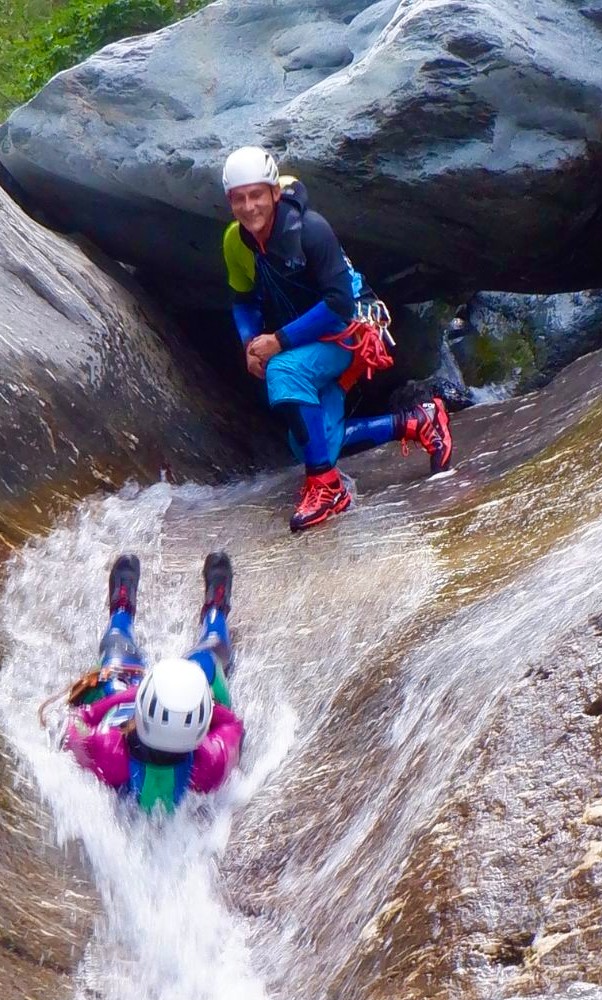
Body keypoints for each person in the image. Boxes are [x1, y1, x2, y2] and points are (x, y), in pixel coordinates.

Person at [221, 145, 454, 532]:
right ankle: (418, 421)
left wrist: (277, 341)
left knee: (284, 371)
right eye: (239, 198)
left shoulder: (311, 230)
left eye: (257, 195)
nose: (249, 207)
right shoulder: (235, 241)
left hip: (353, 329)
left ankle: (327, 488)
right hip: (308, 336)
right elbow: (243, 300)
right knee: (310, 442)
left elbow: (339, 304)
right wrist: (249, 343)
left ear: (275, 193)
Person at [63, 553, 244, 814]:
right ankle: (216, 609)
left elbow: (78, 720)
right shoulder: (211, 764)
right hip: (175, 716)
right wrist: (204, 703)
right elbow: (232, 723)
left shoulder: (108, 750)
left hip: (124, 701)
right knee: (210, 654)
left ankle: (122, 609)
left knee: (116, 644)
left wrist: (132, 694)